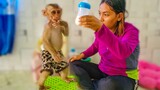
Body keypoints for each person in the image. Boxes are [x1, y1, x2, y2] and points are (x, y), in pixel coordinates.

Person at [69, 0, 140, 90]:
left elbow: (123, 52)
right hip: (103, 71)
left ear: (119, 16)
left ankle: (90, 86)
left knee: (110, 84)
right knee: (73, 64)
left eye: (106, 14)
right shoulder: (104, 30)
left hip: (124, 77)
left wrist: (100, 29)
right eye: (100, 14)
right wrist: (81, 55)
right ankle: (95, 86)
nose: (101, 19)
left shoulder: (131, 31)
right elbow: (95, 46)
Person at [37, 3, 73, 90]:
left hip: (58, 52)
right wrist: (53, 54)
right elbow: (45, 41)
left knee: (63, 66)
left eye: (58, 12)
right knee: (47, 71)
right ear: (45, 13)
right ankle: (41, 86)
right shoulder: (48, 26)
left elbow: (66, 33)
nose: (57, 15)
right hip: (48, 52)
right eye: (53, 12)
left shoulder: (62, 23)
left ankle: (64, 77)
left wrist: (63, 25)